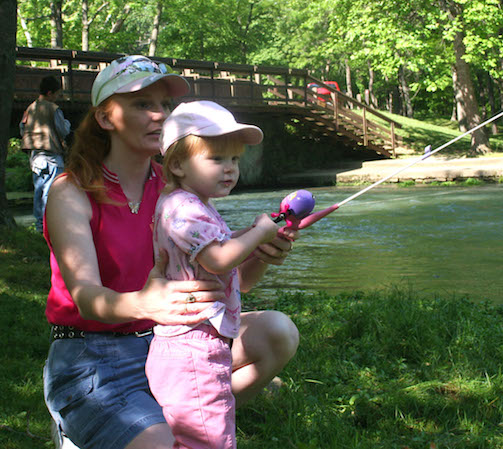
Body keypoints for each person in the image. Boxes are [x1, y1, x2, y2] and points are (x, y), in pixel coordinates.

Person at [43, 56, 299, 449]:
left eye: (164, 106)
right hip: (92, 355)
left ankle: (197, 410)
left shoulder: (179, 186)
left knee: (277, 333)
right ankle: (92, 428)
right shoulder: (71, 191)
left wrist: (259, 252)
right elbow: (87, 299)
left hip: (172, 341)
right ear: (106, 118)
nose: (159, 115)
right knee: (160, 445)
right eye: (143, 104)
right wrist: (146, 303)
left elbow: (229, 277)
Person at [146, 100, 280, 449]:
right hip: (191, 348)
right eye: (216, 159)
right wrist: (258, 234)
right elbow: (220, 259)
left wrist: (255, 242)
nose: (230, 169)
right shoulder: (183, 209)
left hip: (200, 345)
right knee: (208, 439)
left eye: (234, 159)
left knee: (205, 431)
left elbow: (232, 265)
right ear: (176, 164)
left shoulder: (196, 205)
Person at [20, 75, 71, 232]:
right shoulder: (53, 108)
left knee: (39, 191)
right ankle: (50, 227)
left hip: (35, 156)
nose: (57, 98)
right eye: (56, 94)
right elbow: (63, 130)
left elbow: (22, 129)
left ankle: (39, 226)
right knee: (52, 193)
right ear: (50, 93)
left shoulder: (30, 108)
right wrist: (68, 124)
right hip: (51, 156)